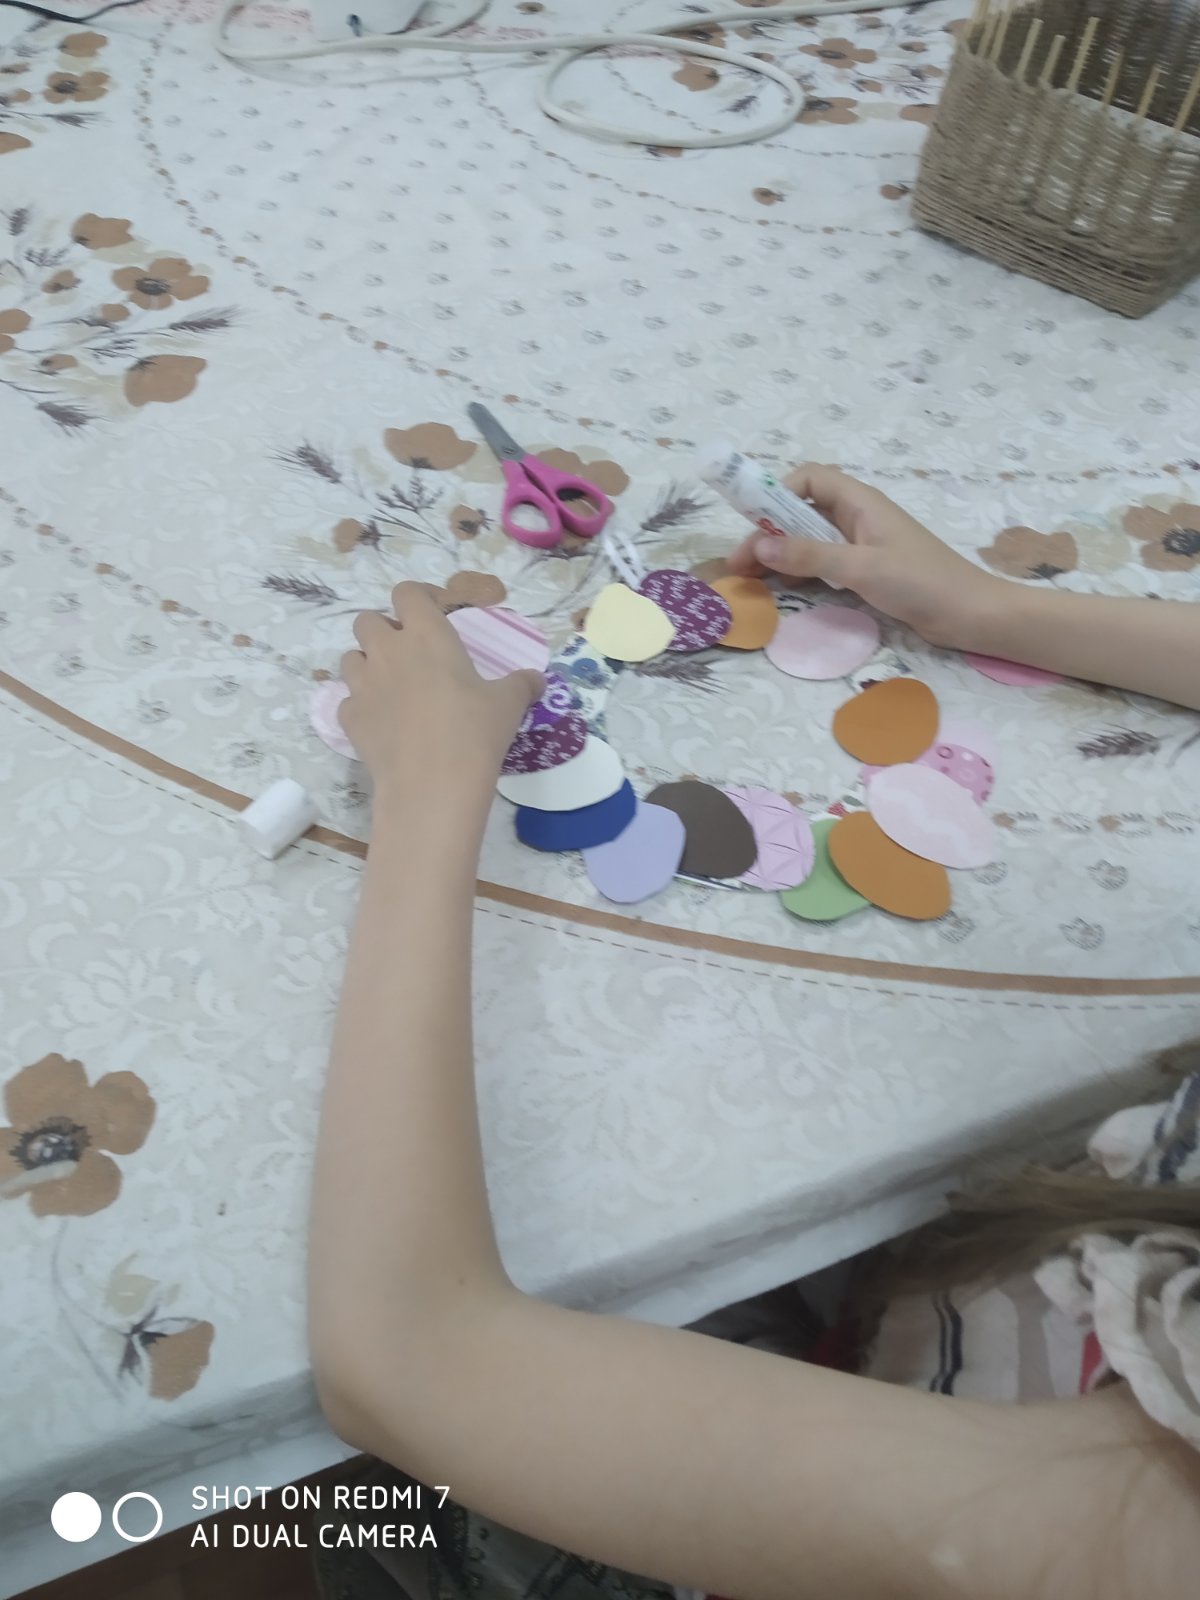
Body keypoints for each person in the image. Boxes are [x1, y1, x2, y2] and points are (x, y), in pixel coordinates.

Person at [308, 467, 1200, 1600]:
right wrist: (992, 608)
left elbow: (405, 1359)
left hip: (836, 1489)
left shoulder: (1137, 1532)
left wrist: (431, 788)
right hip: (977, 1304)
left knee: (365, 1500)